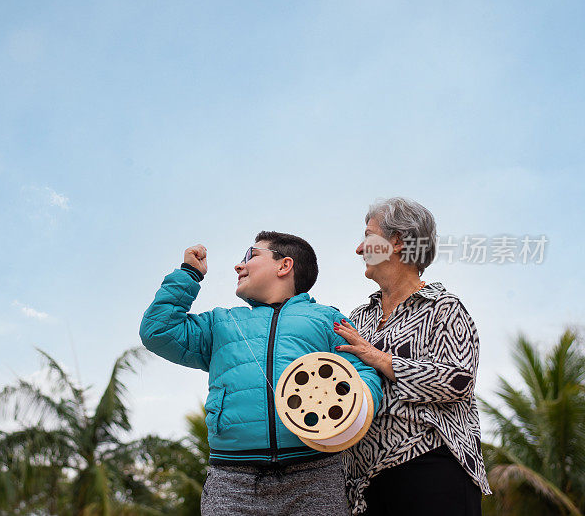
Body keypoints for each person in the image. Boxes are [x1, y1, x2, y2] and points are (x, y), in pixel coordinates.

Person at [140, 231, 382, 516]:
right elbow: (158, 331)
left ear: (284, 266)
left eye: (251, 256)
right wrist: (188, 274)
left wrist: (351, 412)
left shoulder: (327, 319)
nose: (238, 266)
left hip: (316, 474)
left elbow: (363, 370)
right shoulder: (221, 323)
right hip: (231, 478)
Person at [334, 197, 491, 516]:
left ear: (397, 242)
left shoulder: (443, 309)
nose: (359, 249)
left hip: (432, 473)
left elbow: (458, 381)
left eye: (368, 236)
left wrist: (375, 356)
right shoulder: (359, 318)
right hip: (366, 486)